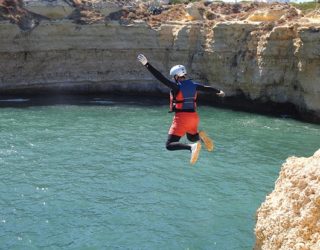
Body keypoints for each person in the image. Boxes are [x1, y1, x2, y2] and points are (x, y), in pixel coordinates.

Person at [137, 54, 225, 165]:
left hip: (182, 118)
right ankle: (200, 137)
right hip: (194, 117)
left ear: (176, 76)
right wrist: (218, 91)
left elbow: (160, 78)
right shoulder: (193, 85)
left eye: (173, 77)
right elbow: (206, 88)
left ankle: (191, 148)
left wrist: (147, 64)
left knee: (169, 145)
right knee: (192, 137)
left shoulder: (176, 87)